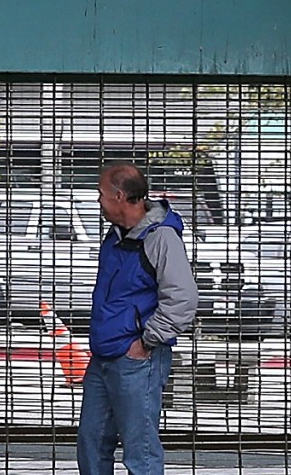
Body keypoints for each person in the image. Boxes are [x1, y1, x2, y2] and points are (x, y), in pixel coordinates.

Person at [79, 163, 198, 475]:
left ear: (120, 196)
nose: (98, 202)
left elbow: (183, 299)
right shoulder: (116, 235)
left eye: (101, 195)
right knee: (91, 444)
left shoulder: (161, 238)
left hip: (137, 359)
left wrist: (146, 341)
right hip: (104, 355)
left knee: (140, 451)